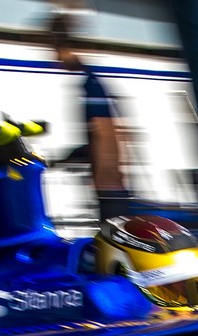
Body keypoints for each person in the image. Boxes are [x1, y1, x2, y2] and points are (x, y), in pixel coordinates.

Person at [49, 12, 131, 221]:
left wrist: (101, 179)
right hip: (109, 185)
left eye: (56, 51)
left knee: (112, 238)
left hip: (109, 187)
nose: (56, 58)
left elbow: (104, 133)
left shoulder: (91, 85)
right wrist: (65, 159)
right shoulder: (91, 83)